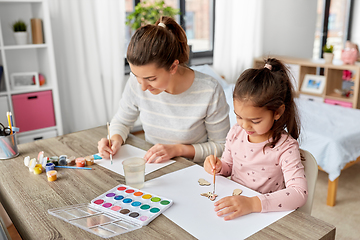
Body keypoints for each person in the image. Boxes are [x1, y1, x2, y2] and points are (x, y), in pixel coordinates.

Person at [98, 16, 230, 163]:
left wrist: (178, 149)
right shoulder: (136, 84)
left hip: (192, 171)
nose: (143, 87)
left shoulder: (209, 91)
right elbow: (122, 121)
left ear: (173, 67)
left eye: (151, 79)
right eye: (136, 76)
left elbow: (222, 146)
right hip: (153, 166)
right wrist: (114, 138)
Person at [204, 58, 308, 220]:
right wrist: (217, 166)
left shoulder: (286, 147)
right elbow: (229, 167)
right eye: (238, 117)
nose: (245, 126)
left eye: (255, 121)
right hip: (236, 206)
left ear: (277, 112)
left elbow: (299, 193)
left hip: (264, 214)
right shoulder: (236, 132)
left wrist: (253, 204)